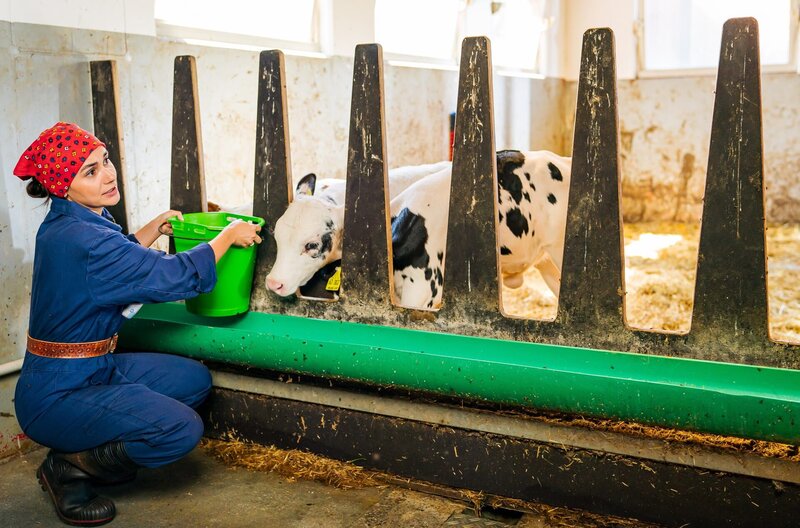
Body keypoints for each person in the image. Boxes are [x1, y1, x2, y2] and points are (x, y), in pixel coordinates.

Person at [12, 122, 262, 526]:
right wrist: (228, 235)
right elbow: (177, 276)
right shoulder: (84, 239)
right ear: (63, 187)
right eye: (90, 171)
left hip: (92, 369)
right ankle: (71, 467)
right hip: (58, 394)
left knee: (193, 381)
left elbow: (112, 260)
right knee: (181, 430)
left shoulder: (70, 223)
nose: (108, 174)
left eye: (105, 160)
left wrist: (152, 229)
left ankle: (88, 442)